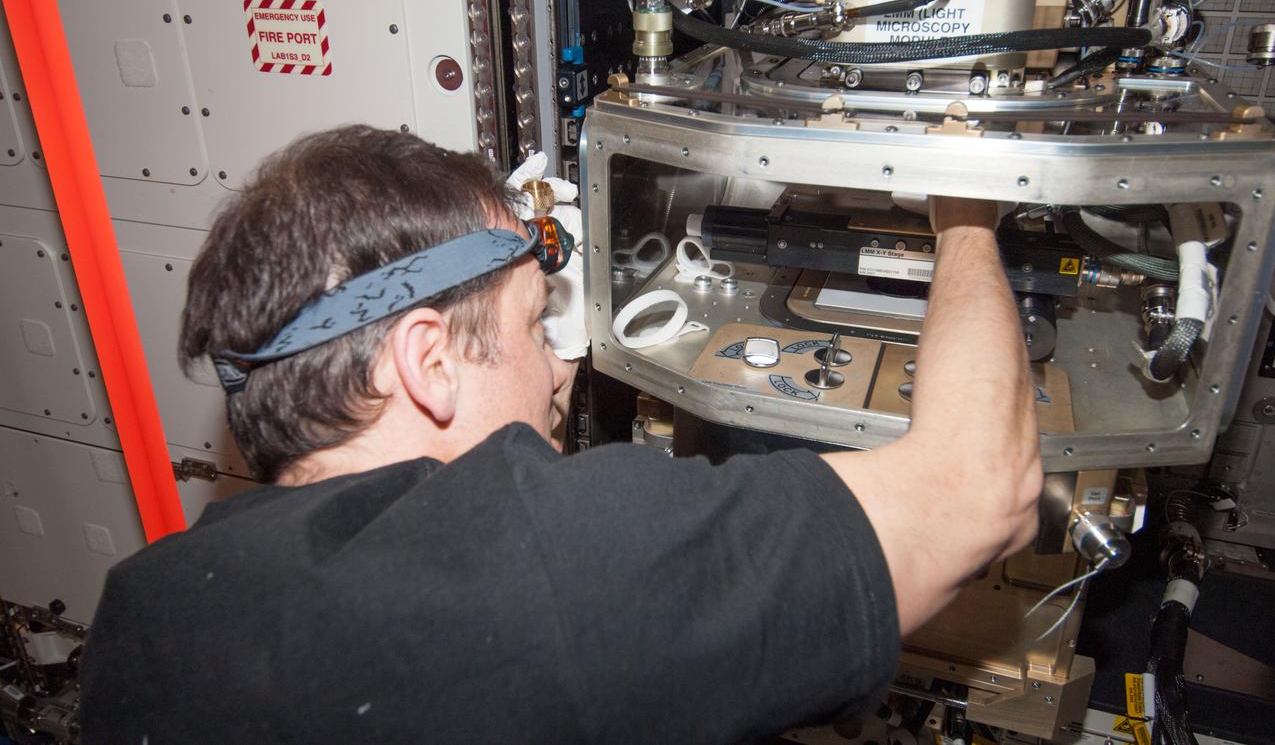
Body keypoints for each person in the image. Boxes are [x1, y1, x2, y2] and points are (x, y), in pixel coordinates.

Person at [78, 125, 1041, 744]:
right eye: (533, 325)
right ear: (428, 362)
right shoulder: (546, 564)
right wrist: (966, 218)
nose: (560, 368)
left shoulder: (147, 611)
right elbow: (982, 486)